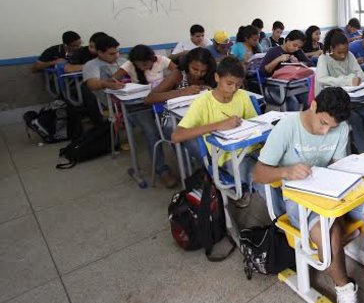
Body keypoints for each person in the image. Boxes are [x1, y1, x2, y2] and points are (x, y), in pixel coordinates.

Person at [252, 88, 363, 303]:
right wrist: (286, 171)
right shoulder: (287, 127)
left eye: (331, 127)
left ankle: (338, 242)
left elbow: (338, 165)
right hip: (298, 198)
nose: (325, 131)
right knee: (328, 231)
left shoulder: (341, 127)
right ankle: (345, 289)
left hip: (329, 191)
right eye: (323, 123)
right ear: (313, 105)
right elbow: (258, 174)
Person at [172, 56, 258, 205]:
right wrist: (218, 125)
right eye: (229, 83)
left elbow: (256, 125)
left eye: (238, 84)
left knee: (278, 170)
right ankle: (281, 220)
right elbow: (176, 136)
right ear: (217, 77)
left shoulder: (242, 95)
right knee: (263, 179)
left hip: (252, 149)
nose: (233, 89)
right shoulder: (202, 103)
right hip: (228, 157)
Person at [111, 44, 177, 187]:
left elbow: (178, 72)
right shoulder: (129, 64)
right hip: (139, 106)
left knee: (170, 128)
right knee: (151, 133)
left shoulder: (160, 60)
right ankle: (162, 170)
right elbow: (113, 79)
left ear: (152, 59)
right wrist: (118, 85)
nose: (142, 68)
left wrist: (169, 84)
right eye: (139, 65)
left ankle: (185, 164)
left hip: (160, 102)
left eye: (145, 64)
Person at [316, 29, 364, 153]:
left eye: (345, 52)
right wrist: (348, 80)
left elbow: (361, 75)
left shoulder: (349, 55)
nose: (343, 56)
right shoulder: (323, 59)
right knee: (356, 119)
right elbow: (322, 79)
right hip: (331, 103)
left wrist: (354, 79)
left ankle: (351, 140)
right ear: (331, 48)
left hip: (350, 100)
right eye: (339, 52)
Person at [261, 30, 312, 111]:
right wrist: (278, 59)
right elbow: (263, 71)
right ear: (287, 40)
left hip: (294, 85)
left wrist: (298, 62)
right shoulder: (273, 51)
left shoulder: (297, 52)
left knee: (309, 97)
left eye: (299, 47)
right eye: (294, 45)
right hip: (274, 88)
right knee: (293, 103)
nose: (296, 48)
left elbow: (310, 64)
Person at [81, 35, 125, 126]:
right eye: (112, 54)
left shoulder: (123, 61)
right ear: (100, 52)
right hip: (109, 99)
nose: (116, 56)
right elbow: (91, 84)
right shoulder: (91, 65)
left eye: (118, 52)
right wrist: (107, 84)